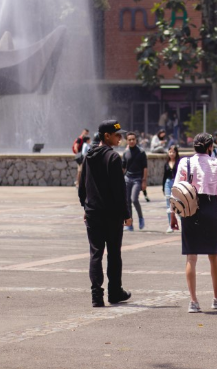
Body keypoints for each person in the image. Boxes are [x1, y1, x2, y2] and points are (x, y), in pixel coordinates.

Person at [79, 119, 133, 308]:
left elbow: (82, 184)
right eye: (117, 135)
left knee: (96, 254)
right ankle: (114, 292)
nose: (121, 138)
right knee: (113, 254)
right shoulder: (113, 158)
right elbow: (120, 190)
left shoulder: (89, 156)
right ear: (107, 136)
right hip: (111, 215)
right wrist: (126, 213)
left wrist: (85, 207)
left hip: (93, 213)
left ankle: (96, 296)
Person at [173, 133, 217, 313]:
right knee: (213, 255)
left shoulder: (184, 162)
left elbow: (177, 189)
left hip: (190, 208)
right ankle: (216, 297)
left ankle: (194, 301)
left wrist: (174, 214)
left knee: (191, 256)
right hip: (211, 208)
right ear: (210, 147)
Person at [122, 133, 148, 230]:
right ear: (127, 141)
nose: (132, 141)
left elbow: (145, 168)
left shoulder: (141, 152)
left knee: (134, 199)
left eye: (133, 139)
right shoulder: (125, 153)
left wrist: (144, 181)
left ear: (136, 140)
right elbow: (123, 168)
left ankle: (141, 218)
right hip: (127, 178)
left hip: (137, 178)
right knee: (127, 201)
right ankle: (130, 223)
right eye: (129, 140)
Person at [162, 144, 180, 233]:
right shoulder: (166, 163)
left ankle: (182, 222)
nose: (171, 154)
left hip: (176, 183)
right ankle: (170, 225)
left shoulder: (179, 162)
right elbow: (164, 176)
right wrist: (163, 187)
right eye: (170, 152)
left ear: (176, 153)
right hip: (168, 183)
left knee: (178, 204)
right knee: (168, 205)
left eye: (173, 152)